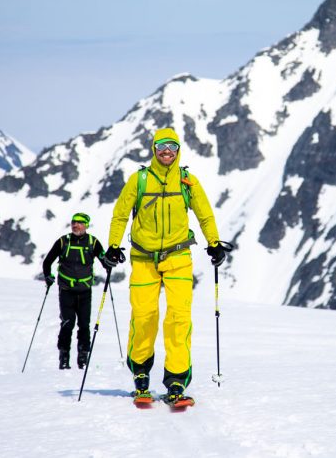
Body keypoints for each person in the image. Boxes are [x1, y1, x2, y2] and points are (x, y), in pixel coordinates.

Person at [104, 127, 231, 406]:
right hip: (143, 259)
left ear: (178, 150)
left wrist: (214, 243)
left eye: (172, 146)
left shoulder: (187, 181)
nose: (166, 151)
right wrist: (113, 246)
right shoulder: (139, 180)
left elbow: (205, 214)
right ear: (153, 148)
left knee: (179, 318)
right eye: (161, 145)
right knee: (144, 317)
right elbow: (120, 215)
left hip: (178, 257)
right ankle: (140, 375)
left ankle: (176, 379)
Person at [42, 212, 107, 370]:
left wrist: (110, 261)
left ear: (86, 225)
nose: (75, 225)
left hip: (85, 292)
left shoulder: (93, 242)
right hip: (66, 291)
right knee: (67, 323)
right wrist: (47, 276)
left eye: (79, 223)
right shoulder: (63, 241)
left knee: (84, 325)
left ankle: (83, 357)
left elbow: (104, 260)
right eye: (73, 222)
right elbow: (47, 261)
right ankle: (64, 357)